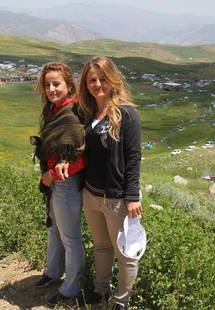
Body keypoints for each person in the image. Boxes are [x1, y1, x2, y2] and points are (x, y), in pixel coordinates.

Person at [78, 56, 142, 310]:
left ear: (113, 79)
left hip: (117, 197)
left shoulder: (127, 113)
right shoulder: (87, 112)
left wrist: (132, 195)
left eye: (102, 79)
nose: (97, 84)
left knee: (124, 252)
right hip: (91, 194)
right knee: (102, 246)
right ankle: (100, 291)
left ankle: (122, 301)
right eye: (92, 80)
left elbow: (134, 156)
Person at [33, 62, 86, 305]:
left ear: (68, 85)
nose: (52, 89)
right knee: (54, 230)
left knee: (71, 237)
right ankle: (53, 272)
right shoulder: (53, 110)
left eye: (57, 84)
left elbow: (81, 157)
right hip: (54, 182)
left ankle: (71, 289)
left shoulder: (72, 113)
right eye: (47, 84)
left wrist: (52, 175)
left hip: (66, 183)